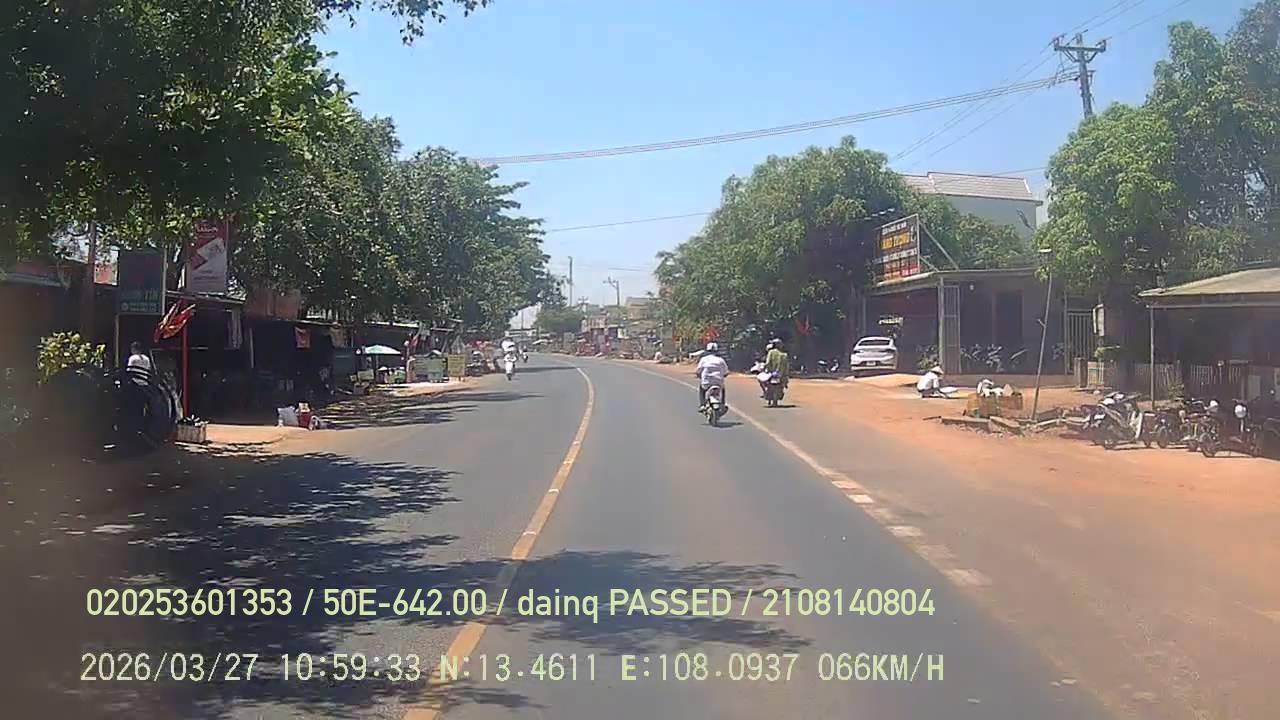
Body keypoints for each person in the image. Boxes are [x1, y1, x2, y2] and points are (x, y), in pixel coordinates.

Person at [694, 342, 729, 411]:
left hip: (706, 382)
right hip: (718, 382)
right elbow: (725, 372)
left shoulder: (703, 359)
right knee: (722, 389)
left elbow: (698, 370)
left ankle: (702, 405)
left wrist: (698, 375)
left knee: (702, 389)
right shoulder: (721, 360)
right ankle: (723, 403)